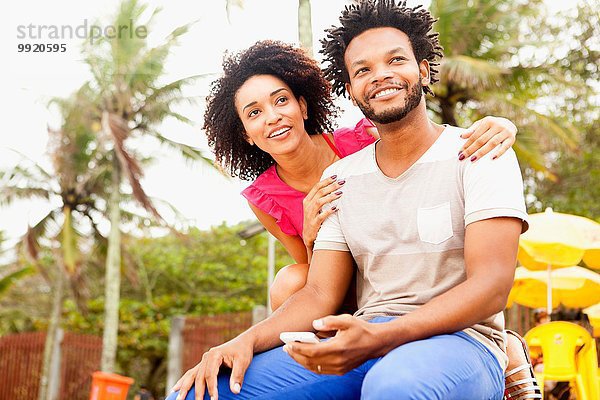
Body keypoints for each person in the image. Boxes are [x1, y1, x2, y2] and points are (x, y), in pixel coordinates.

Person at [168, 1, 537, 399]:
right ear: (349, 88)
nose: (380, 75)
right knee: (203, 391)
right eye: (362, 70)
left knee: (393, 387)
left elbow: (493, 284)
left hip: (459, 340)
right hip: (362, 330)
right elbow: (319, 292)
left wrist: (381, 338)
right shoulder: (339, 176)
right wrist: (244, 341)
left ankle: (510, 360)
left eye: (395, 60)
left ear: (424, 69)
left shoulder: (479, 152)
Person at [204, 41, 518, 311]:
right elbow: (314, 278)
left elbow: (428, 147)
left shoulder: (361, 140)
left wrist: (503, 126)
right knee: (289, 280)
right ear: (245, 133)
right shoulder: (264, 197)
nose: (273, 117)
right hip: (348, 293)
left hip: (414, 267)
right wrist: (312, 235)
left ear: (302, 106)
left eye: (281, 100)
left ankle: (502, 341)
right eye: (254, 112)